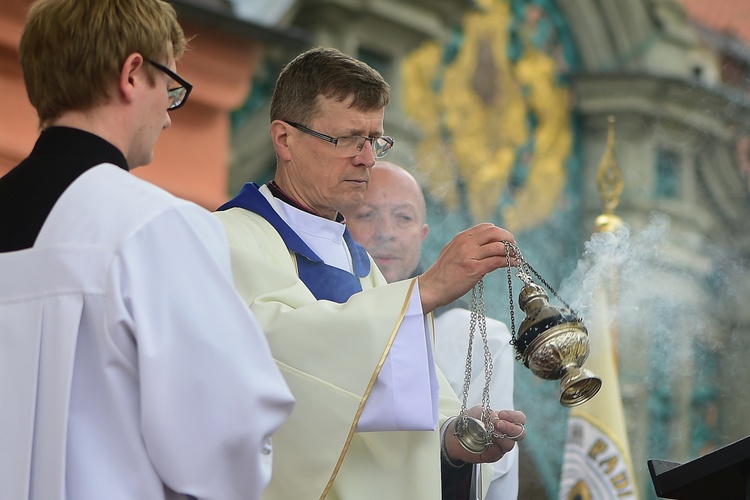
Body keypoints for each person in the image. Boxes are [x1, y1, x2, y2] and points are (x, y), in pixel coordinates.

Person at [0, 1, 294, 499]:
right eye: (171, 88)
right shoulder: (154, 225)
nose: (169, 118)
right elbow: (226, 432)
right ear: (133, 74)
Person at [214, 46, 526, 500]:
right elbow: (281, 356)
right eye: (346, 139)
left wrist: (453, 441)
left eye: (374, 140)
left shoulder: (361, 268)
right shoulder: (223, 238)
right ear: (284, 139)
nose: (366, 158)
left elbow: (394, 419)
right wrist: (424, 290)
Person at [344, 161, 520, 499]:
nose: (386, 232)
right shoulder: (322, 317)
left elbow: (490, 475)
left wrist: (458, 439)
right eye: (367, 215)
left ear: (422, 233)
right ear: (341, 225)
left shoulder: (477, 335)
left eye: (403, 217)